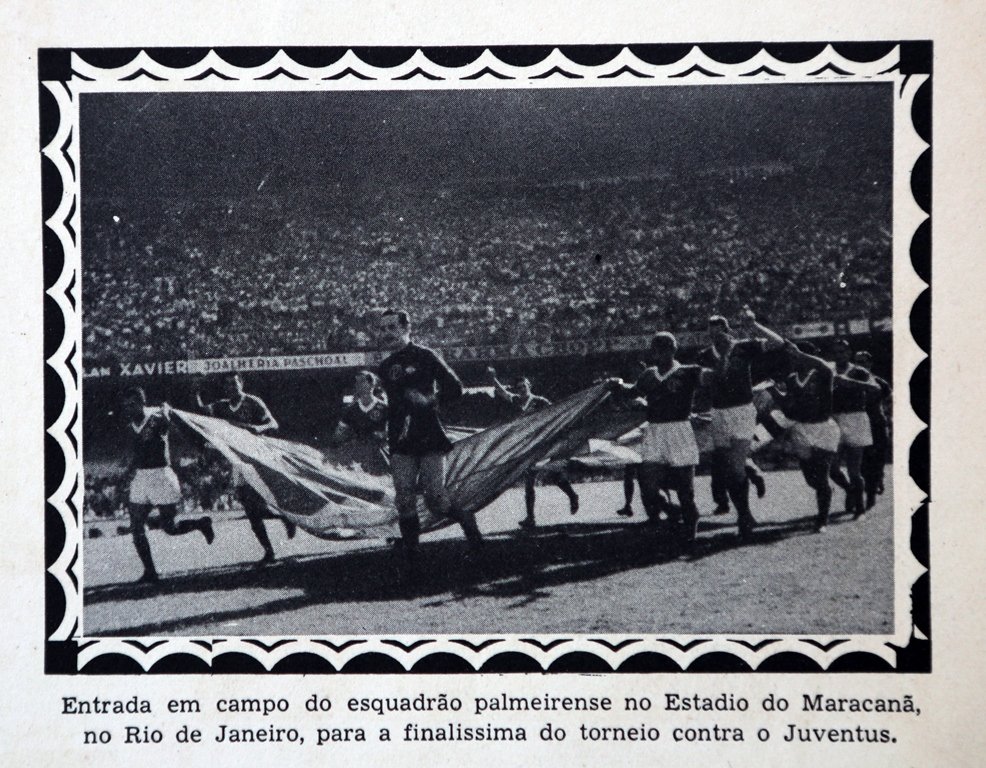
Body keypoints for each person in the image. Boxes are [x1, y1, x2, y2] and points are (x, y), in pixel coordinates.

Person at [378, 309, 483, 568]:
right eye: (383, 328)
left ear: (406, 327)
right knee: (403, 498)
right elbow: (395, 404)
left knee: (436, 499)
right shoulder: (384, 367)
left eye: (392, 326)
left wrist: (430, 401)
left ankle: (468, 523)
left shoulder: (426, 356)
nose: (387, 333)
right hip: (400, 437)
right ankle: (413, 557)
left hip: (428, 433)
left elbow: (456, 388)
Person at [609, 332, 704, 549]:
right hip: (655, 431)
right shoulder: (649, 375)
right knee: (649, 487)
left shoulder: (688, 372)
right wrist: (617, 384)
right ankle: (674, 512)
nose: (658, 354)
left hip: (679, 431)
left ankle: (690, 534)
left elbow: (714, 378)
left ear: (672, 350)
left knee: (685, 491)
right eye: (655, 350)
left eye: (662, 350)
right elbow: (633, 391)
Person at [697, 308, 784, 540]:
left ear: (728, 331)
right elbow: (711, 381)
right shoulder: (705, 355)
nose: (716, 337)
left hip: (742, 411)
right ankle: (745, 513)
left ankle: (744, 516)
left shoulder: (744, 347)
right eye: (712, 333)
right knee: (728, 470)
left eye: (720, 332)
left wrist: (754, 325)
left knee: (735, 468)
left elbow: (778, 342)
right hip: (718, 413)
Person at [195, 371, 296, 566]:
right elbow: (199, 411)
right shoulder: (221, 406)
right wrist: (196, 390)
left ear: (241, 383)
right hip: (238, 461)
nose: (231, 388)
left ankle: (282, 525)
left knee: (258, 503)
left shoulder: (253, 402)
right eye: (228, 385)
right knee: (251, 509)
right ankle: (274, 541)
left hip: (257, 457)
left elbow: (273, 423)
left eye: (234, 383)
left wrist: (257, 428)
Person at [119, 387, 214, 583]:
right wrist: (127, 475)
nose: (128, 409)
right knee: (136, 526)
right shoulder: (130, 427)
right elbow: (137, 455)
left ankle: (201, 523)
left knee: (169, 528)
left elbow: (170, 421)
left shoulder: (157, 418)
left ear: (141, 403)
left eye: (132, 405)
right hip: (141, 478)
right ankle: (150, 572)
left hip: (161, 475)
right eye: (125, 406)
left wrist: (166, 410)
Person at [488, 367, 579, 529]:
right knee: (530, 482)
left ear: (529, 386)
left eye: (524, 386)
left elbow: (557, 414)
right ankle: (531, 517)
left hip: (543, 445)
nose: (522, 389)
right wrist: (493, 378)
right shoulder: (516, 400)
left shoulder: (540, 401)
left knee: (553, 476)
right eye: (519, 387)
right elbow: (502, 392)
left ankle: (572, 495)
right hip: (527, 446)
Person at [769, 341, 840, 532]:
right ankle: (827, 492)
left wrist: (801, 354)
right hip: (801, 430)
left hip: (824, 428)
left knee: (822, 477)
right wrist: (773, 391)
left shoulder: (823, 373)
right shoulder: (792, 378)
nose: (794, 360)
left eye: (797, 357)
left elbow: (823, 365)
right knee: (811, 479)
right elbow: (788, 406)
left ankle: (822, 520)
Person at [828, 340, 881, 518]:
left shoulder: (858, 371)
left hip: (856, 419)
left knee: (854, 470)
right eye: (836, 352)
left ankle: (859, 509)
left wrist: (850, 383)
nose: (839, 355)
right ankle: (850, 490)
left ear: (849, 352)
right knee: (832, 469)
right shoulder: (828, 370)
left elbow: (876, 388)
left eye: (842, 351)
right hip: (834, 419)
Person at [853, 350, 893, 510]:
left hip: (877, 425)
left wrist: (887, 421)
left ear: (870, 363)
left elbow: (890, 403)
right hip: (859, 426)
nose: (859, 365)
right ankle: (868, 488)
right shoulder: (849, 383)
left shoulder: (880, 383)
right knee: (862, 464)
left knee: (876, 461)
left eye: (863, 362)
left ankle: (871, 494)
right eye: (857, 362)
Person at [330, 370, 390, 476]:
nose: (358, 385)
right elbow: (339, 434)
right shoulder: (351, 409)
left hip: (378, 450)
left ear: (372, 384)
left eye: (362, 381)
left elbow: (395, 431)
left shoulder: (383, 408)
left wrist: (383, 435)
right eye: (356, 382)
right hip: (356, 449)